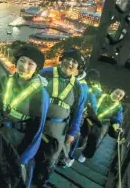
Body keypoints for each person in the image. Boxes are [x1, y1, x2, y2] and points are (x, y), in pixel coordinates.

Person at [0, 43, 50, 188]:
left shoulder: (40, 94)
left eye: (30, 63)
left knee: (16, 175)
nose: (24, 66)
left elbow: (37, 129)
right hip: (1, 132)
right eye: (22, 60)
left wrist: (24, 157)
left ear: (36, 68)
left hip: (21, 138)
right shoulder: (6, 80)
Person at [33, 49, 87, 188]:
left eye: (74, 62)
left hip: (57, 129)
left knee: (50, 158)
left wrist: (72, 132)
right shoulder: (46, 73)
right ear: (62, 59)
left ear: (78, 67)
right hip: (36, 121)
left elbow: (78, 111)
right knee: (30, 150)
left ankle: (40, 182)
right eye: (68, 58)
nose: (69, 62)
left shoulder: (78, 87)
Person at [62, 69, 102, 167]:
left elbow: (93, 104)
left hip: (77, 114)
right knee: (75, 136)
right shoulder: (92, 88)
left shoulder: (87, 87)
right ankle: (68, 157)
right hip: (79, 114)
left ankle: (69, 157)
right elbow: (94, 106)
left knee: (74, 136)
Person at [76, 88, 125, 163]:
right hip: (90, 117)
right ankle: (77, 146)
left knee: (95, 140)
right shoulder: (101, 95)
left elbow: (117, 118)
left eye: (120, 96)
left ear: (121, 98)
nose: (118, 95)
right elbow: (90, 94)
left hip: (102, 123)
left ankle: (84, 154)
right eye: (117, 93)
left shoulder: (119, 107)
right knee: (81, 134)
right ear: (112, 91)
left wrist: (116, 127)